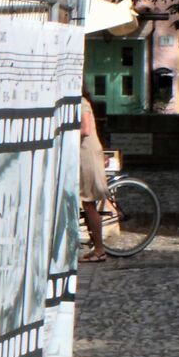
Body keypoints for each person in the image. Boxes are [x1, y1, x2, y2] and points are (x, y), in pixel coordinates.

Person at [78, 97, 110, 261]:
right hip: (84, 155)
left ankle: (99, 250)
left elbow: (86, 130)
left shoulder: (82, 103)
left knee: (89, 203)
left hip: (87, 156)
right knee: (86, 202)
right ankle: (95, 246)